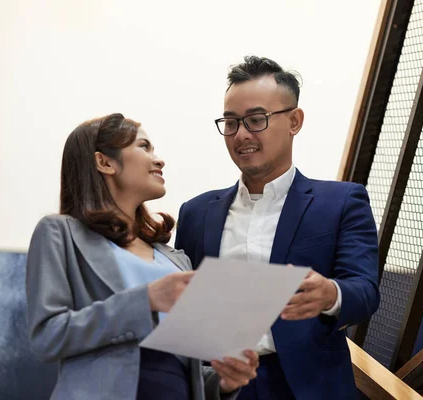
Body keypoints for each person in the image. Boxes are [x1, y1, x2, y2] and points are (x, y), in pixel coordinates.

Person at [174, 56, 380, 399]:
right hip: (222, 385)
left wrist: (331, 294)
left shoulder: (342, 201)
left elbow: (365, 291)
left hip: (308, 385)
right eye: (230, 122)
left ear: (294, 121)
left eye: (256, 120)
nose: (241, 135)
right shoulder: (196, 213)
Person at [25, 113, 259, 400]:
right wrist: (144, 300)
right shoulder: (60, 233)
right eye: (144, 147)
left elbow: (186, 370)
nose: (158, 160)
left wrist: (223, 382)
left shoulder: (175, 259)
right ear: (105, 162)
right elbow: (48, 336)